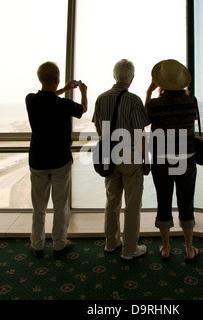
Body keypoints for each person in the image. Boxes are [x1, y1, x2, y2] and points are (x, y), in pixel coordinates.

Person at [26, 61, 88, 258]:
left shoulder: (30, 100)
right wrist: (83, 91)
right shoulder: (63, 105)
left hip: (38, 161)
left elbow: (47, 97)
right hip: (60, 161)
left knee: (39, 207)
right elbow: (83, 109)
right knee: (60, 206)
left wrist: (62, 88)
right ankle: (59, 244)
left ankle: (37, 245)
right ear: (56, 79)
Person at [92, 59, 150, 260]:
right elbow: (140, 133)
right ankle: (130, 249)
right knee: (132, 203)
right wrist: (145, 159)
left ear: (114, 76)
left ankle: (111, 242)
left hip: (109, 153)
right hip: (129, 153)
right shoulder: (134, 100)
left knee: (112, 199)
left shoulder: (101, 99)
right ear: (131, 78)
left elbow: (99, 129)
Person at [145, 59, 199, 263]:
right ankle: (188, 249)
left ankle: (166, 248)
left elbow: (145, 120)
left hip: (161, 161)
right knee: (186, 203)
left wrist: (150, 92)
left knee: (163, 202)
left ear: (161, 84)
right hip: (186, 159)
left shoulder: (155, 105)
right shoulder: (191, 102)